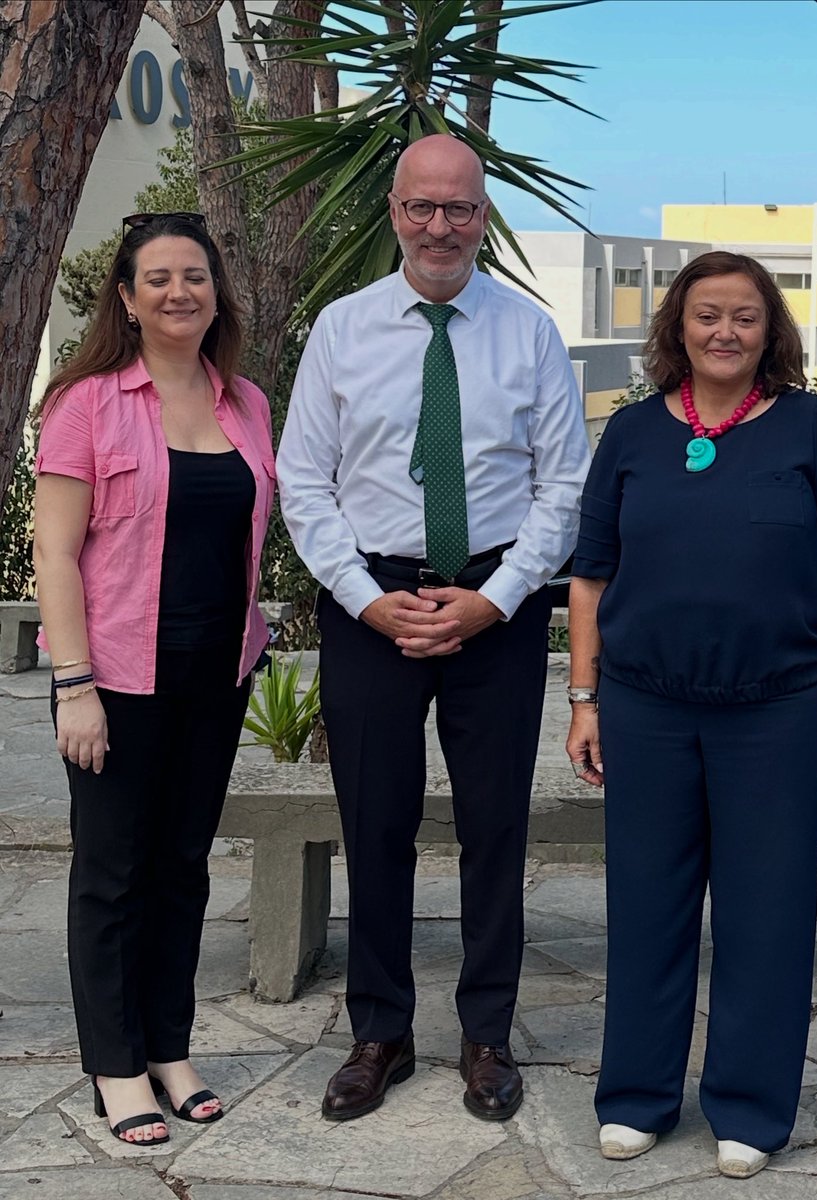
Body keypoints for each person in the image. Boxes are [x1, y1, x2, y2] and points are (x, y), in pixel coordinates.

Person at [277, 134, 590, 1124]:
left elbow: (564, 486)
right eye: (422, 207)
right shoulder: (342, 328)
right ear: (395, 212)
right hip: (369, 600)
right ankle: (380, 1030)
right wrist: (367, 599)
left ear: (483, 214)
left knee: (496, 825)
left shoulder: (530, 333)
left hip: (495, 601)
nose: (441, 226)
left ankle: (488, 1034)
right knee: (377, 821)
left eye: (459, 208)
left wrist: (494, 601)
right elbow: (303, 480)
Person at [566, 251, 817, 1178]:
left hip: (778, 713)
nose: (725, 332)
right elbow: (590, 577)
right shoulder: (628, 435)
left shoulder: (815, 428)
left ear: (770, 330)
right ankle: (637, 1096)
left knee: (768, 914)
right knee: (648, 906)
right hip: (645, 710)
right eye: (708, 315)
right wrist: (583, 699)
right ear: (677, 325)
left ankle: (747, 1105)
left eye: (745, 316)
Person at [33, 212, 275, 1145]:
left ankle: (169, 1047)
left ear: (218, 292)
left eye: (197, 276)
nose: (182, 292)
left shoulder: (244, 402)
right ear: (127, 300)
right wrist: (74, 685)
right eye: (159, 278)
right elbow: (55, 555)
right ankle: (116, 1065)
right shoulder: (87, 403)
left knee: (183, 868)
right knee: (111, 875)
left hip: (218, 673)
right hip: (118, 679)